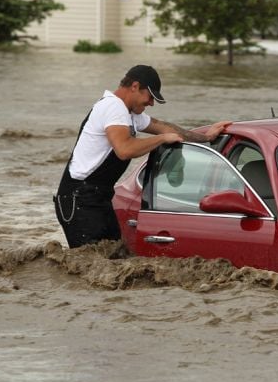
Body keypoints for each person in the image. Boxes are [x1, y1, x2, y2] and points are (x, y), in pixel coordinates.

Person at [54, 64, 231, 248]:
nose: (151, 104)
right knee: (92, 264)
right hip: (78, 198)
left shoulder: (128, 113)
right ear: (135, 86)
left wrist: (206, 137)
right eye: (150, 97)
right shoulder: (113, 107)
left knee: (112, 257)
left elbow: (166, 127)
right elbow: (125, 150)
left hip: (98, 197)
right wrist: (161, 139)